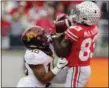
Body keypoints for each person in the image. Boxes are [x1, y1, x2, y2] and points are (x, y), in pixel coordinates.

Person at [51, 1, 101, 87]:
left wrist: (54, 35)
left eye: (79, 13)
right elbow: (81, 31)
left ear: (86, 18)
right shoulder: (94, 27)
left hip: (77, 67)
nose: (76, 13)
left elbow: (61, 52)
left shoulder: (75, 30)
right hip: (79, 65)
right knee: (48, 79)